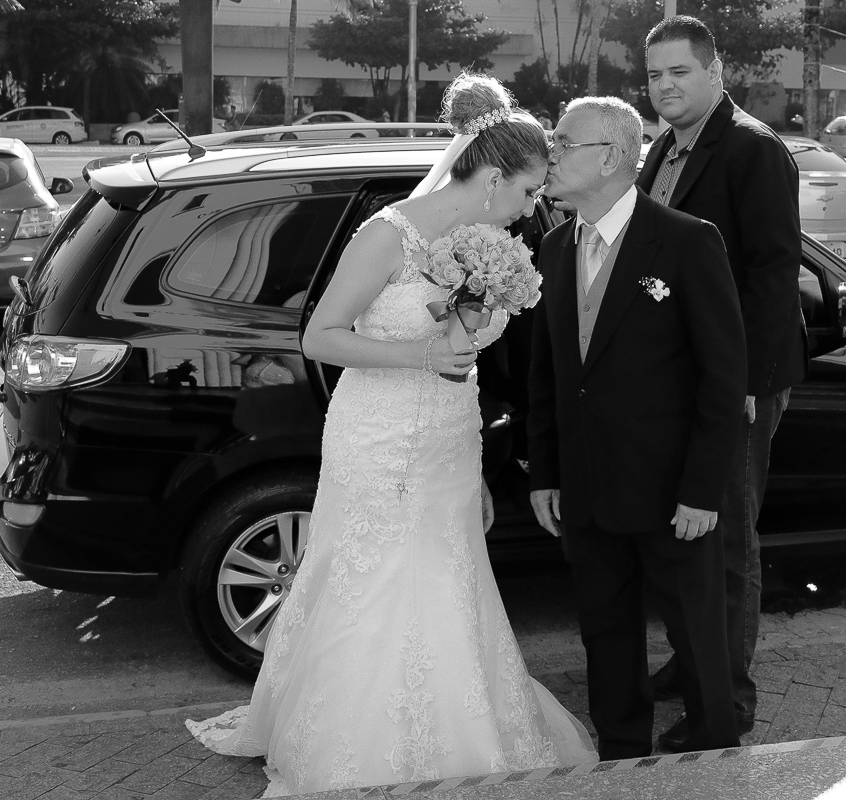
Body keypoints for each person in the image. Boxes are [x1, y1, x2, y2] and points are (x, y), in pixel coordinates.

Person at [186, 72, 596, 795]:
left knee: (448, 576)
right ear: (493, 179)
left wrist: (474, 467)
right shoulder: (388, 234)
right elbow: (320, 336)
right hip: (376, 436)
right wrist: (421, 356)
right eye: (530, 191)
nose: (535, 206)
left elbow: (466, 367)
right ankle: (356, 746)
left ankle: (453, 730)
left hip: (448, 438)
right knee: (373, 579)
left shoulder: (487, 245)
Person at [529, 96, 748, 759]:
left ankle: (716, 752)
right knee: (605, 632)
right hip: (588, 487)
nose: (550, 155)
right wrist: (545, 473)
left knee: (697, 635)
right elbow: (549, 374)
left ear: (613, 157)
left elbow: (723, 378)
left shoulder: (686, 240)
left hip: (673, 492)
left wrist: (703, 491)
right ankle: (621, 756)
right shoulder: (553, 248)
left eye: (563, 143)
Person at [635, 16, 806, 750]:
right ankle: (694, 662)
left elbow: (773, 274)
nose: (665, 86)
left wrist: (748, 385)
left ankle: (728, 701)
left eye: (679, 72)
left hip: (735, 384)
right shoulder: (663, 147)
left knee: (728, 538)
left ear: (715, 72)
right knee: (686, 535)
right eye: (654, 75)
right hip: (680, 380)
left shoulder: (753, 149)